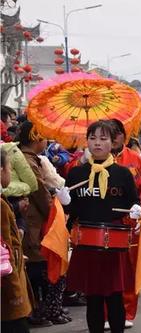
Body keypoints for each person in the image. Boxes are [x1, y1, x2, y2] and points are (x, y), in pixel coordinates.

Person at [62, 120, 141, 333]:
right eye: (92, 138)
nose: (97, 143)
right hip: (86, 242)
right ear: (86, 141)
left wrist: (136, 210)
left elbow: (134, 202)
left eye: (103, 138)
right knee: (93, 297)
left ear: (113, 142)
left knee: (115, 295)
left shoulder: (123, 174)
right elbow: (72, 211)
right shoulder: (76, 174)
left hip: (114, 242)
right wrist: (64, 201)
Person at [107, 119, 141, 329]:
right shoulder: (92, 162)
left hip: (130, 224)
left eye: (118, 133)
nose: (115, 137)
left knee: (129, 270)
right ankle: (107, 314)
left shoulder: (135, 159)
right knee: (104, 270)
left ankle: (128, 311)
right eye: (109, 133)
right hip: (104, 224)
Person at [17, 122, 64, 326]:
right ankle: (37, 312)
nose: (46, 141)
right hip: (33, 221)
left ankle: (42, 311)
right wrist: (53, 209)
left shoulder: (27, 158)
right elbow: (39, 191)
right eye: (44, 137)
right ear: (36, 138)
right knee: (37, 267)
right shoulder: (26, 161)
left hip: (33, 220)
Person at [1, 148, 33, 333]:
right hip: (7, 287)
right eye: (8, 168)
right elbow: (4, 254)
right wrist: (16, 295)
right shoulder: (2, 206)